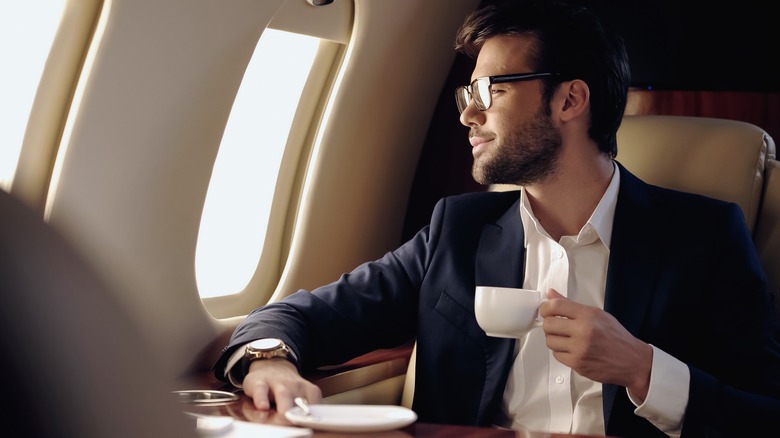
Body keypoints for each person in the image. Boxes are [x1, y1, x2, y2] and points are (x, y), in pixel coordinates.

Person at [213, 0, 780, 435]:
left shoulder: (704, 238)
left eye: (489, 89)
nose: (469, 114)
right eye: (468, 92)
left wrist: (643, 369)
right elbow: (297, 316)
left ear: (570, 100)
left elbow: (765, 413)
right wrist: (271, 365)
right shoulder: (455, 232)